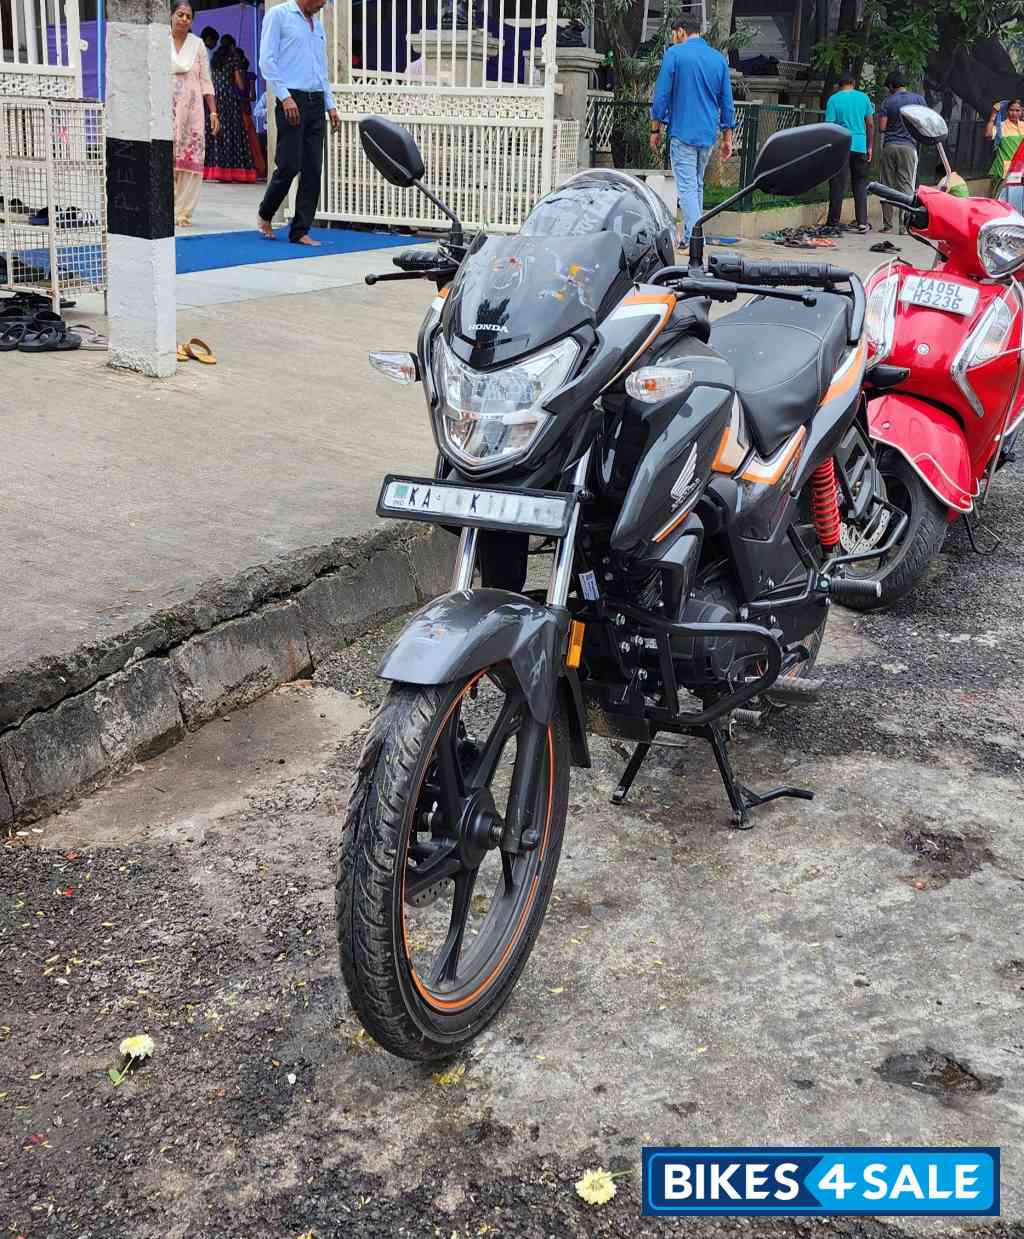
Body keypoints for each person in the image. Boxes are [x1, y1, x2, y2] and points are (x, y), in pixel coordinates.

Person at [257, 0, 340, 246]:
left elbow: (321, 68)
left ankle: (300, 230)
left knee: (314, 168)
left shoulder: (317, 24)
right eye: (321, 0)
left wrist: (330, 103)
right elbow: (267, 61)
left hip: (315, 101)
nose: (323, 5)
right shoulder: (279, 15)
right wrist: (284, 96)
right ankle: (266, 213)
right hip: (291, 99)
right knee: (289, 164)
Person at [650, 16, 735, 249]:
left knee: (687, 187)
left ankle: (694, 238)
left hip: (682, 132)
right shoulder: (718, 59)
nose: (673, 38)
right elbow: (727, 102)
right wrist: (727, 139)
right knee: (696, 185)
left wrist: (655, 128)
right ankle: (693, 234)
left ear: (680, 32)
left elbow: (661, 96)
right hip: (708, 134)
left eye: (674, 34)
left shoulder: (675, 55)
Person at [170, 0, 219, 228]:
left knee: (189, 162)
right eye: (180, 14)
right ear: (171, 16)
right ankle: (165, 209)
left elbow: (205, 80)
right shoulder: (161, 41)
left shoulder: (197, 44)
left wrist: (213, 113)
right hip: (166, 109)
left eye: (188, 17)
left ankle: (183, 213)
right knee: (165, 159)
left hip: (192, 112)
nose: (184, 20)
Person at [825, 72, 874, 233]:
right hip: (860, 145)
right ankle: (862, 222)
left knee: (838, 183)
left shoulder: (833, 99)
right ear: (853, 83)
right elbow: (870, 124)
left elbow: (830, 126)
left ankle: (833, 222)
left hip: (841, 145)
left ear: (840, 85)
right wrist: (869, 146)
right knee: (860, 183)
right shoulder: (864, 98)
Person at [878, 71, 925, 234]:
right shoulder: (918, 100)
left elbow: (882, 128)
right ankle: (904, 226)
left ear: (891, 86)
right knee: (906, 186)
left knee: (886, 185)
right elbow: (923, 122)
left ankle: (887, 225)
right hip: (909, 147)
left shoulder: (887, 102)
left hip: (890, 146)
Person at [204, 34, 256, 182]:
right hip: (229, 99)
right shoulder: (234, 58)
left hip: (215, 98)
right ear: (232, 46)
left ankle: (214, 169)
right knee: (233, 133)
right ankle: (233, 171)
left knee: (217, 133)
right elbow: (240, 83)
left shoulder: (214, 58)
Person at [986, 98, 1024, 192]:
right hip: (1004, 171)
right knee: (1000, 199)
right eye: (1011, 110)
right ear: (1007, 111)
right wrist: (993, 115)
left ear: (1022, 111)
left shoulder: (1023, 125)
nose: (1014, 113)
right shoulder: (1001, 126)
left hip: (1020, 170)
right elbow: (988, 135)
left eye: (1017, 110)